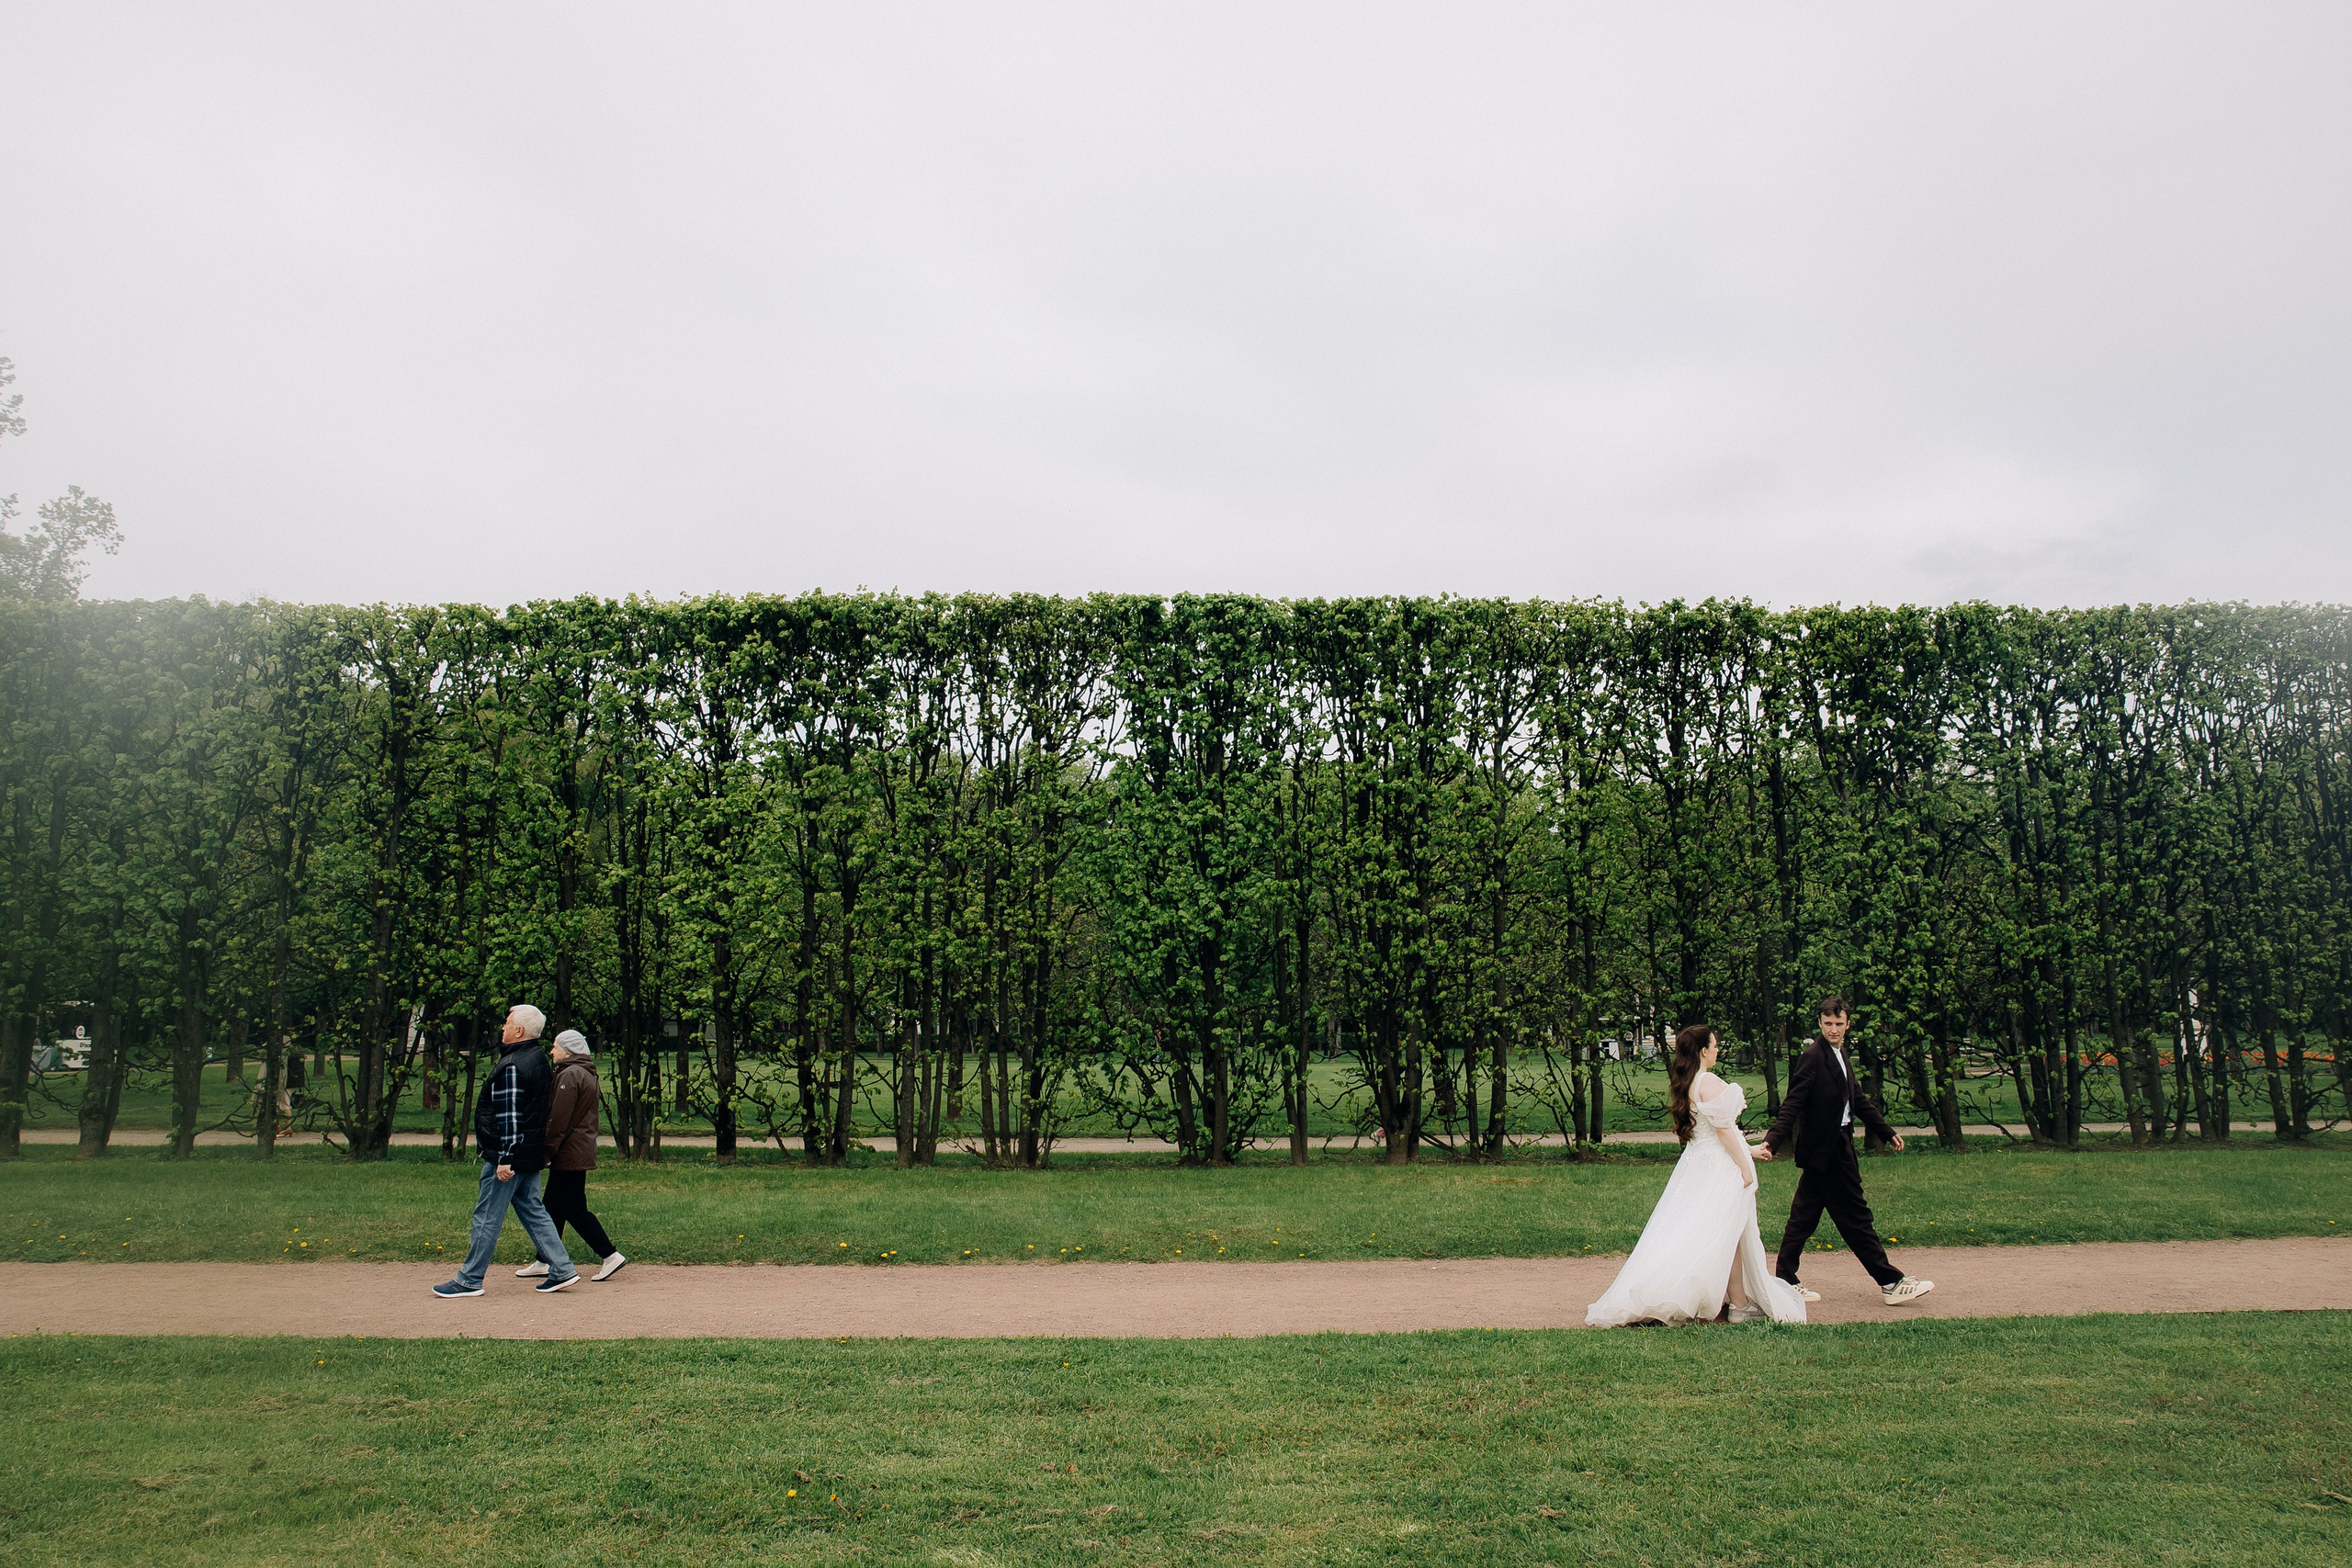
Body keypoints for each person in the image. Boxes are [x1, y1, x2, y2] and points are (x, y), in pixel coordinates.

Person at [1587, 1025, 1808, 1327]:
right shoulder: (1709, 1081)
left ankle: (1737, 1300)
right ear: (1704, 1051)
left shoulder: (1689, 1082)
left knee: (1711, 1231)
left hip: (1698, 1164)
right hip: (1718, 1166)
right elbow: (1723, 1130)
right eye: (1714, 1045)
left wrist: (1751, 1151)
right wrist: (1745, 1165)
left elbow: (1717, 1133)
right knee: (1726, 1234)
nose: (1717, 1049)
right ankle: (1738, 1304)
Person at [1753, 996, 1933, 1305]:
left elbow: (1857, 1100)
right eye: (1828, 1024)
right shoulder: (1813, 1056)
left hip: (1835, 1147)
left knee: (1804, 1216)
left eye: (1839, 1024)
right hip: (1827, 1151)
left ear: (1848, 1024)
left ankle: (1784, 1278)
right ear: (1820, 1023)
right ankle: (1890, 1282)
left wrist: (1886, 1132)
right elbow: (1793, 1102)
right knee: (1855, 1217)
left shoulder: (1839, 1053)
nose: (1833, 1029)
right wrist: (1773, 1139)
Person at [431, 1004, 580, 1298]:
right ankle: (562, 1268)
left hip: (510, 1158)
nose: (503, 1027)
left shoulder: (512, 1066)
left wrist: (505, 1158)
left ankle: (469, 1280)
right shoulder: (538, 1058)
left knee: (487, 1216)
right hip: (530, 1154)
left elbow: (510, 1117)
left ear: (519, 1031)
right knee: (533, 1210)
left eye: (507, 1023)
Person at [518, 1029, 628, 1283]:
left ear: (568, 1050)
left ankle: (610, 1255)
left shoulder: (570, 1074)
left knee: (573, 1208)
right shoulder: (583, 1071)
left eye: (556, 1046)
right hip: (576, 1150)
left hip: (569, 1152)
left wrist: (546, 1150)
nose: (552, 1051)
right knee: (552, 1208)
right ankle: (543, 1259)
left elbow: (559, 1120)